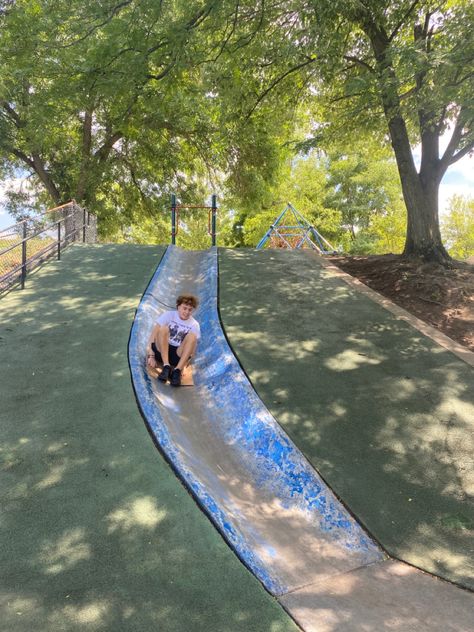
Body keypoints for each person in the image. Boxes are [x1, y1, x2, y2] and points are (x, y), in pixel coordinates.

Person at [146, 294, 200, 387]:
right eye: (184, 308)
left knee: (192, 336)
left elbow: (192, 349)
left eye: (190, 309)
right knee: (163, 329)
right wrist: (151, 356)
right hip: (161, 351)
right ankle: (166, 367)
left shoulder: (194, 324)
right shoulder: (169, 315)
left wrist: (184, 365)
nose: (187, 312)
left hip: (177, 355)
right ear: (178, 307)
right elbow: (153, 336)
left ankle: (177, 370)